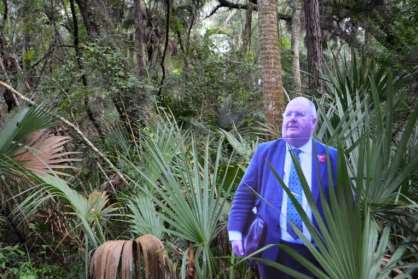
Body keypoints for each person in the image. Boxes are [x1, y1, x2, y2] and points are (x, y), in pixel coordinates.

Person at [227, 97, 337, 278]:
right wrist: (235, 233)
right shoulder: (265, 152)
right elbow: (244, 195)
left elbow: (346, 204)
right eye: (288, 114)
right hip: (273, 252)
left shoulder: (331, 157)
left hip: (318, 255)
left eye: (299, 114)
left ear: (313, 122)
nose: (292, 118)